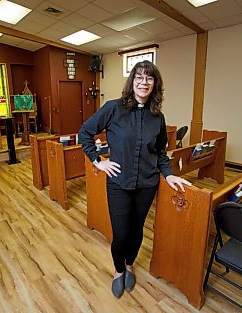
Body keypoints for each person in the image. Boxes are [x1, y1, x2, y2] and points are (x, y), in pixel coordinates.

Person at [78, 61, 191, 299]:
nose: (144, 82)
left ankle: (130, 265)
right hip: (118, 183)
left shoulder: (157, 117)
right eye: (139, 77)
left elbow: (160, 153)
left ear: (154, 85)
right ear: (132, 82)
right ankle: (119, 271)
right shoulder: (113, 108)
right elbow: (85, 132)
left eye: (149, 79)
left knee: (137, 230)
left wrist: (169, 175)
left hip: (147, 185)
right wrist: (98, 161)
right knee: (120, 234)